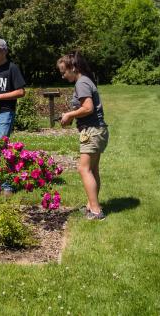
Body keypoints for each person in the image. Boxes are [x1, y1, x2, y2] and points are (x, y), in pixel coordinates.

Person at [57, 51, 109, 221]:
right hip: (97, 129)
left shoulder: (81, 82)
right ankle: (91, 206)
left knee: (83, 168)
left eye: (64, 72)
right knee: (92, 170)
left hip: (92, 131)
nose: (63, 76)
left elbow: (88, 108)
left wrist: (70, 115)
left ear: (73, 67)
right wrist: (71, 115)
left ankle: (95, 211)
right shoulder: (86, 80)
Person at [0, 38, 26, 137]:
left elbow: (21, 92)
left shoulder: (12, 68)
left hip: (5, 112)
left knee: (0, 143)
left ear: (5, 51)